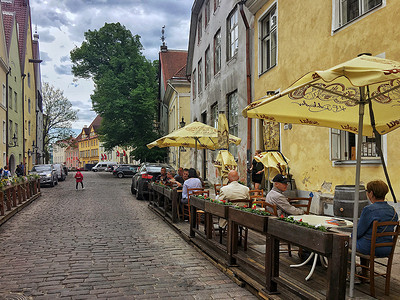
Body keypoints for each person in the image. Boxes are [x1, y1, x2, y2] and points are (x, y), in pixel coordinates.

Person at [356, 180, 398, 257]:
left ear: (371, 193)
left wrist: (352, 236)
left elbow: (358, 233)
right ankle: (364, 269)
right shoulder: (393, 211)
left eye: (367, 191)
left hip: (369, 248)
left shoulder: (368, 209)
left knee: (344, 241)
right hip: (387, 249)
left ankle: (349, 268)